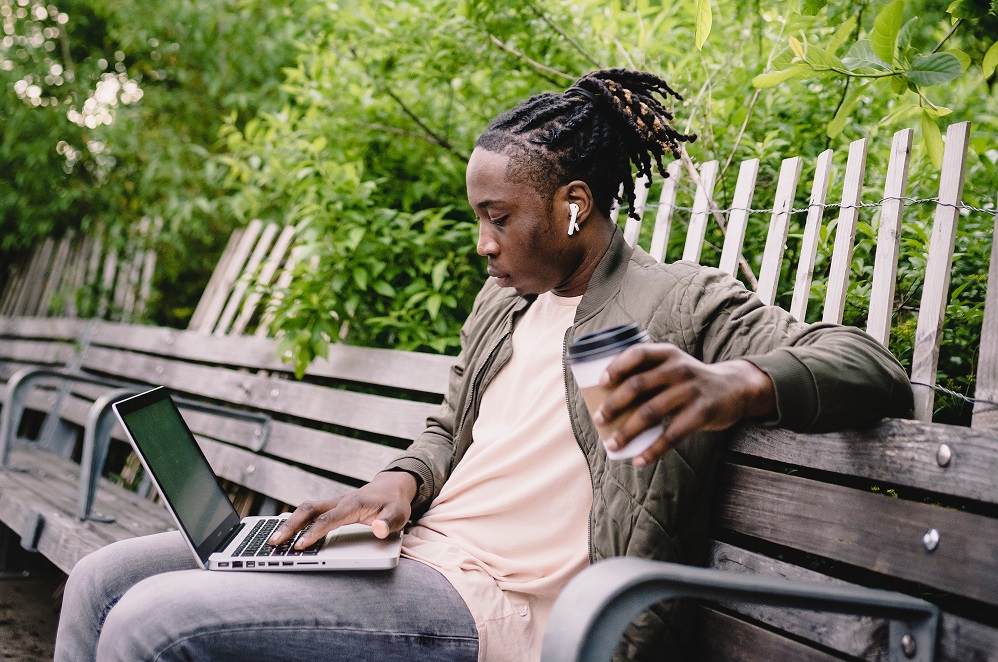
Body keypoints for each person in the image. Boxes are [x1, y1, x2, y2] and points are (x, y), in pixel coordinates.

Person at [55, 68, 913, 662]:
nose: (484, 243)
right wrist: (401, 482)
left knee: (158, 626)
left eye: (498, 217)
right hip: (418, 553)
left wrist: (734, 384)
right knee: (102, 580)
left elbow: (869, 365)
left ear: (573, 206)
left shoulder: (678, 301)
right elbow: (448, 431)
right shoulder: (505, 302)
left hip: (506, 606)